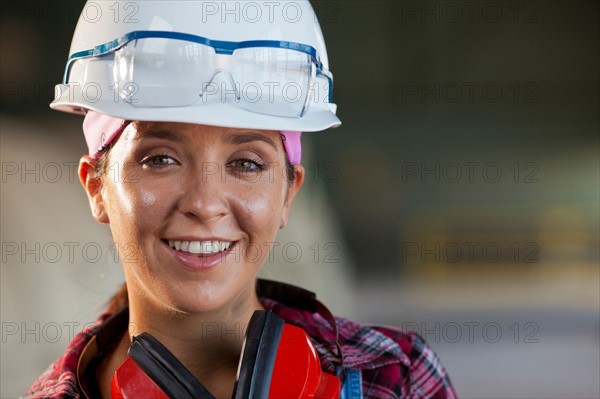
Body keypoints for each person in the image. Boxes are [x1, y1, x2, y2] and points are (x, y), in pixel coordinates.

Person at [25, 1, 457, 398]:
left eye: (246, 164)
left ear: (289, 193)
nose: (205, 202)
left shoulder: (394, 377)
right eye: (160, 159)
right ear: (96, 188)